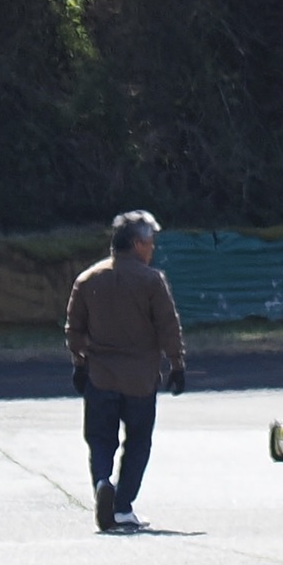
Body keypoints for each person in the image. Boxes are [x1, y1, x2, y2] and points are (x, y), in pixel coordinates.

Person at [65, 210, 187, 533]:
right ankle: (122, 506)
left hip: (100, 376)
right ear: (136, 244)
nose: (153, 248)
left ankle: (102, 482)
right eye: (150, 242)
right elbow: (168, 326)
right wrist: (177, 364)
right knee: (138, 442)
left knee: (100, 439)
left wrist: (79, 363)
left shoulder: (88, 279)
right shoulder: (151, 281)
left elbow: (74, 329)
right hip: (140, 379)